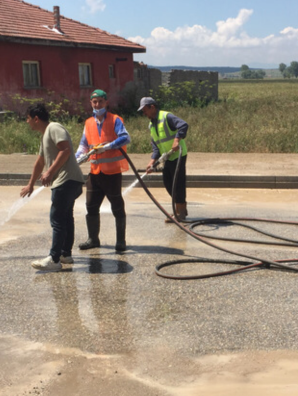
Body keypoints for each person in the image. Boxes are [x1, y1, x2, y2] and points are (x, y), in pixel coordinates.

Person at [20, 103, 84, 271]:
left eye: (28, 119)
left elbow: (65, 150)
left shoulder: (54, 127)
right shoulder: (45, 135)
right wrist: (30, 184)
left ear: (36, 118)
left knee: (56, 219)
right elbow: (40, 162)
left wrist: (49, 172)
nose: (27, 122)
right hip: (70, 181)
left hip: (66, 180)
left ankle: (54, 259)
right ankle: (65, 254)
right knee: (66, 217)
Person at [74, 89, 131, 252]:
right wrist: (78, 158)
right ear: (91, 103)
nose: (97, 104)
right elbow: (84, 145)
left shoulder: (115, 120)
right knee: (91, 206)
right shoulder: (88, 123)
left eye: (100, 101)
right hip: (95, 172)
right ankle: (93, 239)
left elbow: (125, 137)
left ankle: (121, 241)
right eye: (94, 102)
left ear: (106, 103)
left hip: (112, 173)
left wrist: (108, 146)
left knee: (117, 206)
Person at [140, 97, 190, 222]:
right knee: (168, 183)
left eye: (145, 110)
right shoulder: (151, 125)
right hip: (167, 157)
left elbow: (183, 125)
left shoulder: (166, 117)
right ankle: (180, 208)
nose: (144, 113)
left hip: (178, 155)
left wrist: (177, 140)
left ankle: (180, 212)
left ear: (152, 107)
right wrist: (152, 161)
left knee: (177, 184)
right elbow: (156, 146)